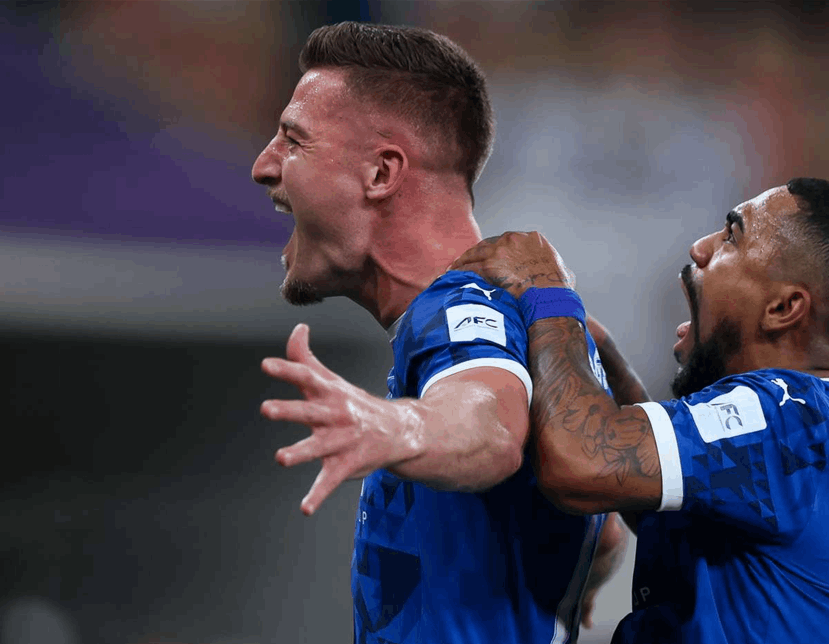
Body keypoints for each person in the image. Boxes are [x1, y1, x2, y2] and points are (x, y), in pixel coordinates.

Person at [249, 22, 640, 644]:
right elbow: (608, 532)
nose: (262, 166)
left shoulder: (458, 307)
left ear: (381, 173)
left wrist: (397, 427)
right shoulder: (530, 327)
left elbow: (487, 425)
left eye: (293, 140)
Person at [452, 178, 829, 643]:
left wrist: (545, 291)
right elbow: (669, 499)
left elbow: (582, 465)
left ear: (783, 307)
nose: (700, 248)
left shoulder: (787, 415)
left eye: (732, 236)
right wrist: (599, 352)